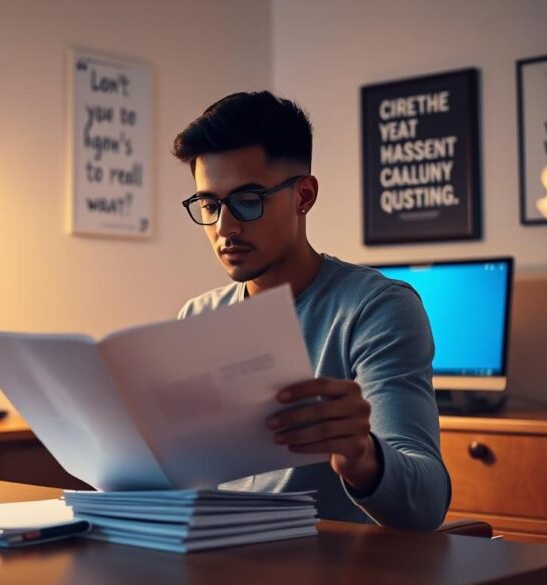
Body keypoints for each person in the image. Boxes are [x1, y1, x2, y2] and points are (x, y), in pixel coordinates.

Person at [173, 91, 450, 530]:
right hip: (212, 558)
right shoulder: (197, 318)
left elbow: (427, 504)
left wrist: (363, 457)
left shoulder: (377, 309)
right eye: (209, 205)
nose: (225, 227)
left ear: (304, 195)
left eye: (248, 200)